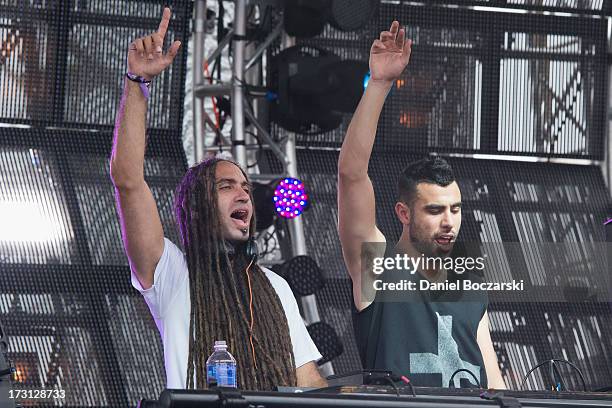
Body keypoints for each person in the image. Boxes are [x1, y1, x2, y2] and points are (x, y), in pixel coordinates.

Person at [110, 7, 326, 391]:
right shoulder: (173, 275)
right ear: (196, 208)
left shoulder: (275, 286)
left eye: (244, 186)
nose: (243, 192)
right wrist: (136, 83)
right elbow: (128, 180)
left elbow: (308, 381)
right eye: (226, 186)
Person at [337, 21, 506, 389]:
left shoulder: (471, 286)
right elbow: (351, 175)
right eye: (435, 210)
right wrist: (379, 84)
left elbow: (494, 385)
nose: (449, 222)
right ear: (403, 213)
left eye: (455, 209)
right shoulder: (379, 270)